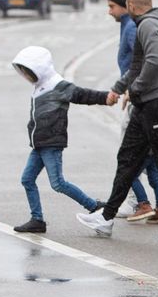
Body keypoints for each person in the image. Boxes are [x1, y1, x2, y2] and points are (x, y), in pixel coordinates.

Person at [76, 0, 158, 241]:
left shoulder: (148, 25)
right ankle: (106, 217)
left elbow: (155, 62)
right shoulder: (145, 23)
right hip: (146, 105)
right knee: (128, 158)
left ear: (131, 5)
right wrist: (119, 88)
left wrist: (136, 88)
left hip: (157, 104)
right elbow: (137, 65)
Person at [11, 46, 111, 234]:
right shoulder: (40, 86)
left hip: (51, 143)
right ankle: (37, 219)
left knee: (58, 183)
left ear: (39, 69)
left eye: (29, 72)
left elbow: (83, 95)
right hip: (39, 145)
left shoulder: (58, 86)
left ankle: (95, 207)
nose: (26, 76)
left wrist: (106, 97)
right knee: (27, 179)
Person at [106, 0, 158, 224]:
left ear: (128, 6)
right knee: (150, 157)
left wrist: (129, 89)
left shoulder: (134, 27)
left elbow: (143, 62)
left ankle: (141, 203)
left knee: (128, 155)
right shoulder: (131, 25)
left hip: (141, 97)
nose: (109, 11)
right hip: (142, 95)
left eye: (112, 6)